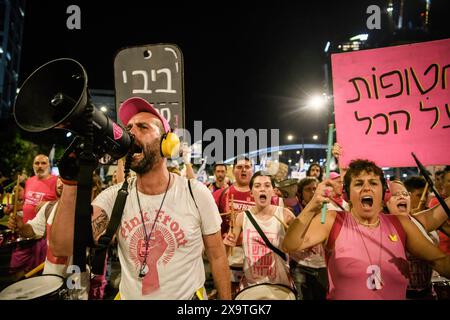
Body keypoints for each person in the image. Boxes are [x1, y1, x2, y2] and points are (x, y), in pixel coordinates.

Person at [51, 97, 231, 300]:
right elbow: (62, 246)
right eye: (128, 129)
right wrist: (70, 180)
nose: (131, 134)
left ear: (167, 143)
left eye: (143, 127)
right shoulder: (115, 196)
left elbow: (217, 257)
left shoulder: (195, 193)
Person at [282, 159, 450, 300]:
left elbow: (440, 261)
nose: (367, 188)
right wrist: (311, 206)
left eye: (373, 183)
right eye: (359, 183)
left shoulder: (400, 224)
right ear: (347, 195)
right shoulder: (333, 221)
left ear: (383, 192)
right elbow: (290, 244)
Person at [8, 178, 91, 299]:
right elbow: (32, 230)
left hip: (75, 274)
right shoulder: (48, 207)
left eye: (68, 179)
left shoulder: (87, 210)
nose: (61, 182)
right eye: (60, 178)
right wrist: (21, 227)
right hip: (50, 274)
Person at [223, 171, 295, 290]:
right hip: (251, 286)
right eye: (257, 186)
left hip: (280, 286)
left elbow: (299, 243)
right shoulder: (242, 217)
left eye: (267, 185)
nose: (262, 189)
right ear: (251, 193)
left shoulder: (286, 215)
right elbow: (227, 245)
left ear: (273, 191)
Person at [385, 180, 440, 299]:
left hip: (428, 294)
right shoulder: (382, 228)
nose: (401, 196)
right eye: (395, 194)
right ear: (385, 203)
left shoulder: (420, 220)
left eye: (405, 194)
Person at [10, 154, 58, 273]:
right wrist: (16, 213)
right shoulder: (29, 181)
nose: (40, 166)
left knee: (38, 275)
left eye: (43, 163)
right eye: (37, 163)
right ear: (33, 166)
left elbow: (64, 202)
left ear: (49, 165)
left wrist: (48, 203)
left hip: (43, 238)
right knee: (17, 270)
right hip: (25, 233)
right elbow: (28, 204)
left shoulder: (57, 181)